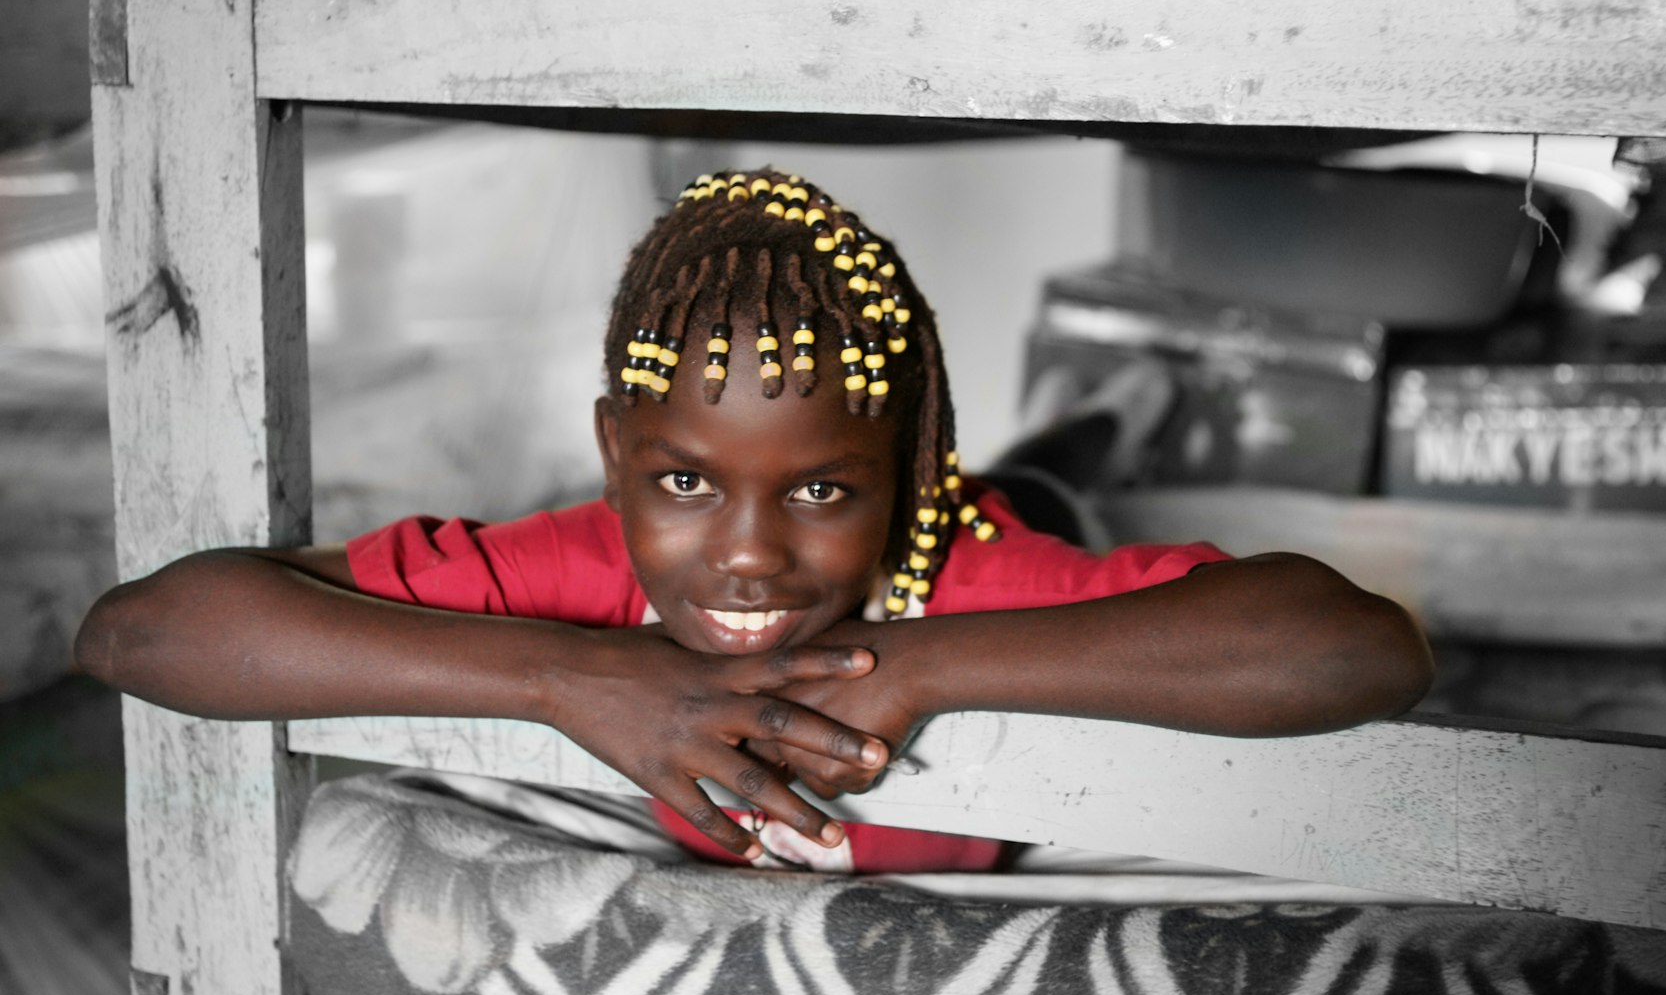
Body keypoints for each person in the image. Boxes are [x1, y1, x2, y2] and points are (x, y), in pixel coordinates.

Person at [74, 169, 1433, 873]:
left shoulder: (968, 572)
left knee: (1061, 469)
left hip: (1012, 512)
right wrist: (571, 676)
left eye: (822, 488)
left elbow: (1362, 651)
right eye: (683, 481)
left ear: (902, 470)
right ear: (617, 454)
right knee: (1045, 446)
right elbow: (140, 635)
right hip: (928, 505)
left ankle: (1105, 412)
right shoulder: (583, 569)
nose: (745, 552)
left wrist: (929, 663)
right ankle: (1092, 407)